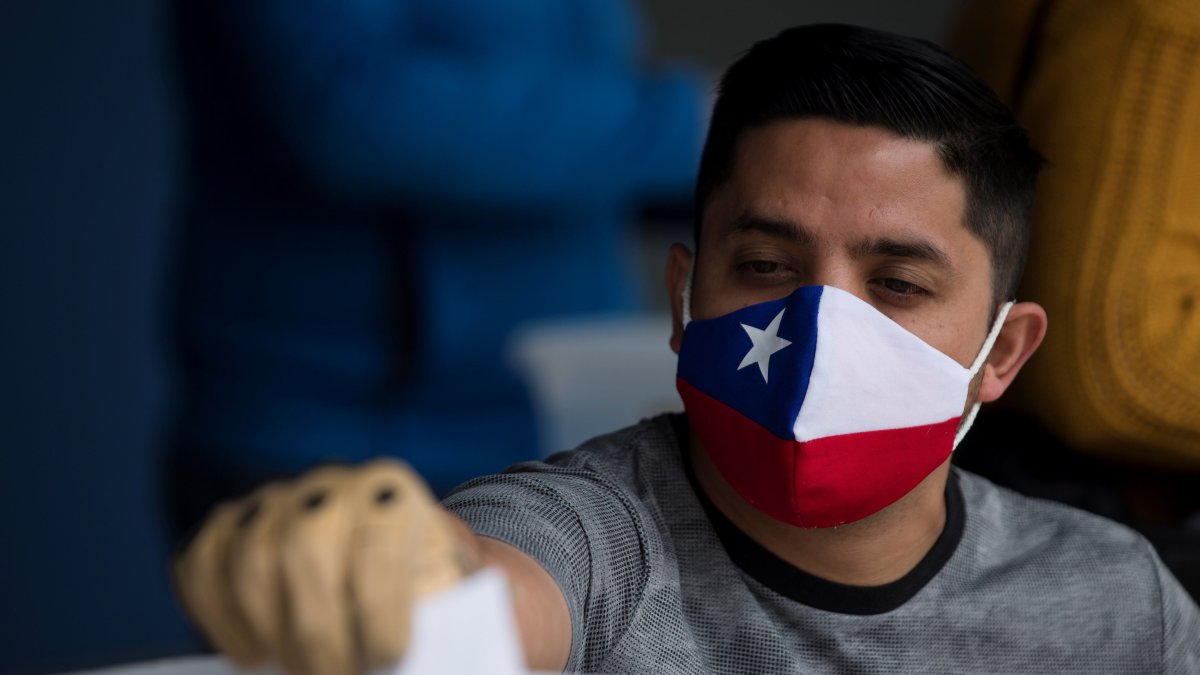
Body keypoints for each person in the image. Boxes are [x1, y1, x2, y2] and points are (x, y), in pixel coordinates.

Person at [172, 24, 1200, 674]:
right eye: (763, 265)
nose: (818, 334)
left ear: (1002, 351)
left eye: (896, 285)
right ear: (683, 297)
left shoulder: (1119, 603)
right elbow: (498, 586)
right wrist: (398, 586)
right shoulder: (595, 537)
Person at [165, 0, 706, 534]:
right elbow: (352, 106)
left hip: (567, 433)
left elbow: (579, 129)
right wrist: (697, 126)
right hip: (344, 447)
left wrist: (740, 174)